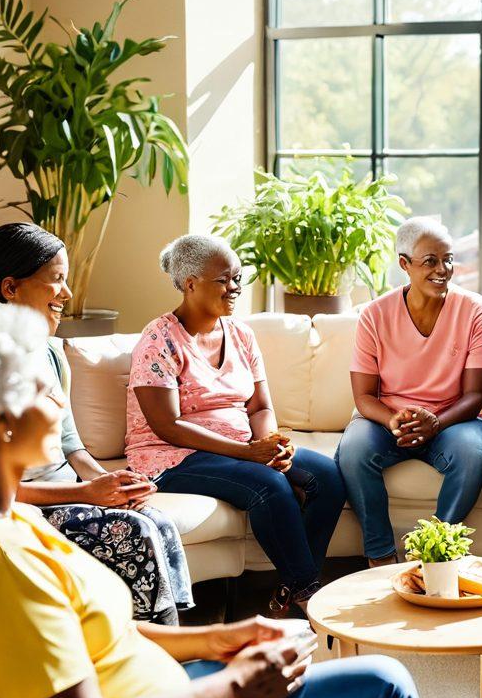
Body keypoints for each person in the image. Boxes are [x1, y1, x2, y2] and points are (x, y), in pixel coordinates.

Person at [0, 301, 445, 698]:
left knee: (383, 679)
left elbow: (101, 636)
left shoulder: (9, 517)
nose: (62, 402)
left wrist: (216, 640)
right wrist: (233, 684)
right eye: (44, 390)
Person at [0, 223, 191, 624]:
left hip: (68, 490)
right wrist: (87, 493)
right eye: (57, 281)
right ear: (10, 287)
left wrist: (111, 484)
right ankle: (146, 653)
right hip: (18, 504)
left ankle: (156, 648)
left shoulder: (51, 355)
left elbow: (72, 446)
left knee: (157, 521)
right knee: (131, 533)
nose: (66, 294)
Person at [126, 234, 346, 616]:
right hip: (174, 457)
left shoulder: (241, 333)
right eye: (223, 280)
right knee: (269, 485)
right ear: (190, 283)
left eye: (237, 278)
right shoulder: (158, 339)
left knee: (327, 477)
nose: (234, 288)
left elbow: (259, 405)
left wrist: (271, 444)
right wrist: (249, 454)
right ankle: (309, 593)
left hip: (241, 447)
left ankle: (291, 586)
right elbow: (167, 425)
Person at [336, 217, 482, 565]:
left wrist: (435, 423)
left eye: (449, 259)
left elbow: (475, 396)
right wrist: (396, 419)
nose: (444, 269)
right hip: (389, 420)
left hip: (457, 420)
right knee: (353, 449)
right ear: (404, 264)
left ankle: (434, 551)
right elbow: (364, 396)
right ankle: (379, 557)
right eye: (431, 261)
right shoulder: (374, 315)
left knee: (471, 452)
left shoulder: (475, 312)